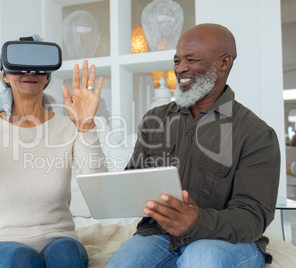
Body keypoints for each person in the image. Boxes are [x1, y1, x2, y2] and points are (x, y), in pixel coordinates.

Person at [105, 23, 280, 268]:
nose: (180, 68)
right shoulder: (155, 119)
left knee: (200, 259)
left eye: (191, 59)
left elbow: (253, 216)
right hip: (160, 234)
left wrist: (197, 222)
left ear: (224, 62)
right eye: (177, 60)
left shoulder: (257, 134)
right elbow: (134, 179)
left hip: (229, 240)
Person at [0, 37, 107, 268]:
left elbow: (100, 192)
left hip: (60, 239)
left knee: (67, 256)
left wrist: (86, 126)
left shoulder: (69, 126)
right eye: (19, 64)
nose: (30, 71)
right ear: (5, 75)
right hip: (0, 243)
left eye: (39, 66)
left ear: (47, 75)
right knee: (21, 259)